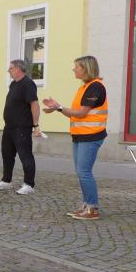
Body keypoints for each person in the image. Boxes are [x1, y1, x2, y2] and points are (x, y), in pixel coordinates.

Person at [42, 56, 107, 220]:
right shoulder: (85, 87)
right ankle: (87, 205)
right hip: (81, 136)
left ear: (86, 68)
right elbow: (75, 113)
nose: (74, 69)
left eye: (77, 66)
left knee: (84, 172)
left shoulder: (95, 87)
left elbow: (81, 113)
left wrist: (59, 107)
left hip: (91, 136)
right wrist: (57, 108)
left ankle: (92, 209)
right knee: (81, 172)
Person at [0, 60, 41, 195]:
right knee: (7, 154)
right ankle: (6, 181)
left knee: (25, 156)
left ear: (18, 69)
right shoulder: (13, 84)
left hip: (22, 127)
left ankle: (29, 185)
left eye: (11, 68)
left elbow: (34, 104)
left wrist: (36, 125)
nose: (8, 70)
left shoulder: (28, 83)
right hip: (9, 127)